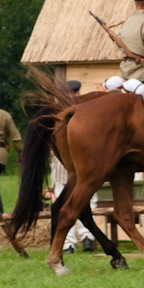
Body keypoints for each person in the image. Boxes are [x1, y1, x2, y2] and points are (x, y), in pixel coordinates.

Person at [49, 80, 97, 253]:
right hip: (67, 162)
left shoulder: (84, 110)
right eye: (73, 93)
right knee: (69, 199)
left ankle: (84, 238)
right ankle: (72, 241)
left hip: (85, 162)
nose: (75, 96)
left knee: (87, 199)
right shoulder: (60, 113)